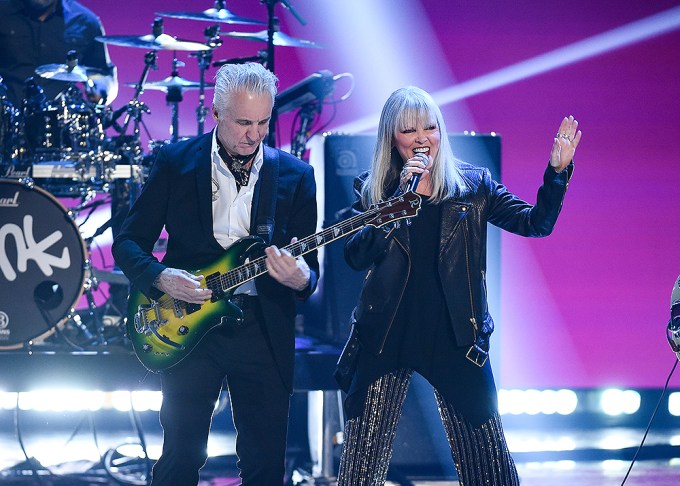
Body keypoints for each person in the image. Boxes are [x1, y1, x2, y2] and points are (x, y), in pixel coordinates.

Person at [334, 86, 581, 485]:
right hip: (386, 335)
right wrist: (399, 199)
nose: (422, 139)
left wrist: (556, 174)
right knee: (362, 465)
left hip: (455, 336)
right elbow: (355, 256)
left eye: (430, 127)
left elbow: (536, 224)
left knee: (489, 465)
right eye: (409, 131)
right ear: (391, 138)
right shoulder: (375, 189)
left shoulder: (474, 186)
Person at [111, 62, 319, 485]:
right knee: (180, 458)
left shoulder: (297, 176)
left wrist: (301, 279)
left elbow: (308, 272)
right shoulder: (174, 162)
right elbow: (128, 242)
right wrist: (160, 276)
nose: (255, 134)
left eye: (263, 122)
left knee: (264, 465)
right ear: (216, 112)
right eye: (243, 122)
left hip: (262, 328)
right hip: (189, 322)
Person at [0, 0, 117, 108]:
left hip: (61, 121)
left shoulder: (85, 21)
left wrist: (100, 92)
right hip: (6, 118)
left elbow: (102, 74)